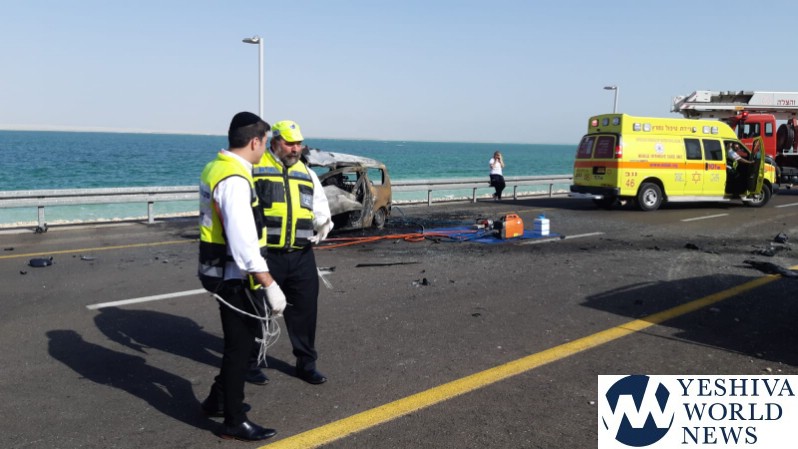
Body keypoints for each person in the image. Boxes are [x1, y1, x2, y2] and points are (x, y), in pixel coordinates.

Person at [197, 112, 286, 442]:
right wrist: (269, 283)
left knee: (239, 344)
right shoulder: (234, 178)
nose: (265, 148)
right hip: (234, 276)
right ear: (255, 142)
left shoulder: (216, 167)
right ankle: (233, 421)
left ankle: (217, 401)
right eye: (265, 142)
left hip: (218, 269)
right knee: (239, 348)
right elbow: (242, 240)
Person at [250, 120, 333, 385]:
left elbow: (319, 206)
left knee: (305, 312)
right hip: (267, 255)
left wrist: (324, 222)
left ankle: (306, 365)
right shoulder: (255, 167)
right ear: (275, 142)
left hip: (301, 255)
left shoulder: (306, 173)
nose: (296, 149)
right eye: (289, 143)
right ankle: (250, 363)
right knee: (258, 311)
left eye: (299, 144)